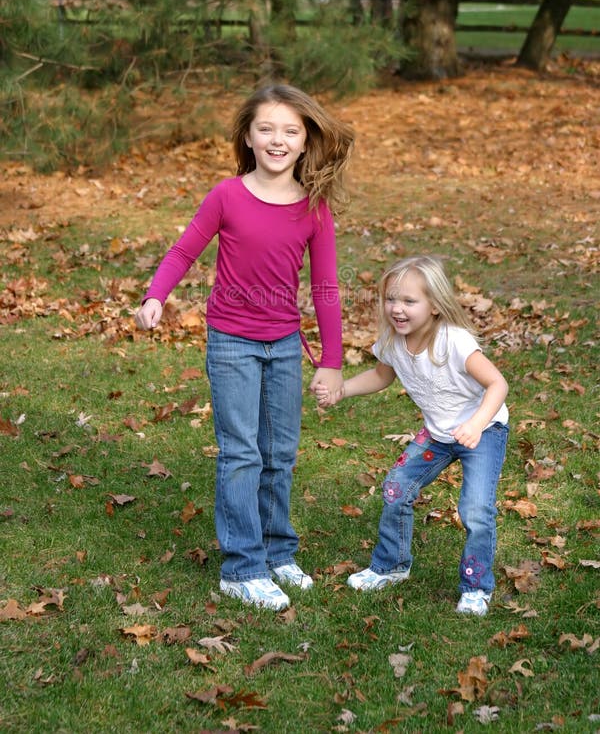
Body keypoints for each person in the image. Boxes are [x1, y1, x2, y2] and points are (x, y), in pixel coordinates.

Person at [135, 83, 355, 611]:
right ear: (249, 138)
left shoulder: (314, 208)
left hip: (282, 344)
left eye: (290, 131)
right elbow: (184, 249)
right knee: (241, 452)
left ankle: (278, 552)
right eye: (266, 129)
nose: (277, 140)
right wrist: (155, 297)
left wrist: (331, 361)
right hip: (232, 342)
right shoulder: (226, 196)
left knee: (280, 453)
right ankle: (242, 567)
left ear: (305, 142)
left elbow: (325, 287)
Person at [316, 255, 509, 616]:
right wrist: (342, 390)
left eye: (409, 301)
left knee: (475, 510)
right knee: (396, 488)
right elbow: (381, 377)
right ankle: (391, 565)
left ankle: (476, 587)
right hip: (438, 433)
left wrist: (476, 423)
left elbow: (497, 383)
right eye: (391, 299)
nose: (397, 309)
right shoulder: (393, 341)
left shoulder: (456, 342)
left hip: (483, 430)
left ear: (435, 305)